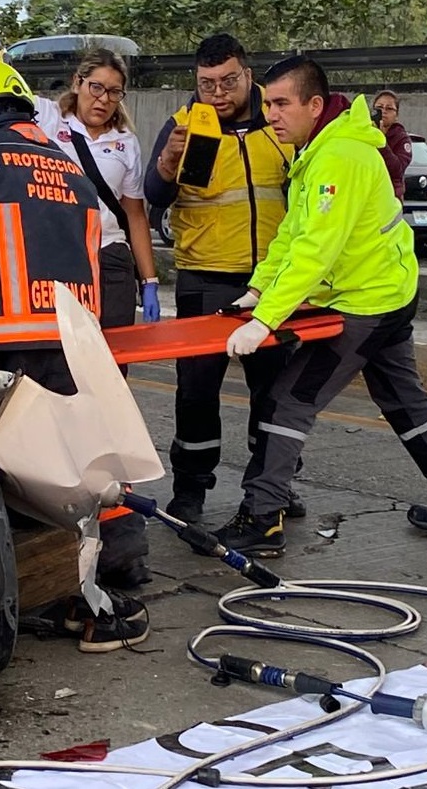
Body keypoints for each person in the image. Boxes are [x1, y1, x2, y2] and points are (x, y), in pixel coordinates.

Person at [217, 56, 427, 556]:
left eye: (281, 104)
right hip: (385, 292)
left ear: (315, 104)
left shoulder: (338, 158)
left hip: (365, 304)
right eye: (267, 104)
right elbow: (291, 236)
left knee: (287, 400)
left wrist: (264, 321)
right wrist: (258, 292)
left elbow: (316, 250)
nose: (271, 115)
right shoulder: (318, 150)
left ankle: (262, 519)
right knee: (406, 403)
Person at [0, 60, 148, 651]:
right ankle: (98, 584)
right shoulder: (69, 165)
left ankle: (28, 593)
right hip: (70, 338)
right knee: (76, 462)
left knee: (4, 466)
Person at [143, 33, 297, 525]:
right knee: (196, 393)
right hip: (205, 279)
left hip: (274, 284)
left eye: (228, 80)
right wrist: (168, 162)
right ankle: (190, 491)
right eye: (206, 83)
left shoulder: (278, 123)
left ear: (248, 75)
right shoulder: (185, 126)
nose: (218, 92)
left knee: (274, 394)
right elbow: (154, 194)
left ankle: (273, 486)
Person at [32, 49, 162, 337]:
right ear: (77, 82)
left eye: (114, 92)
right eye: (96, 87)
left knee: (114, 357)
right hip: (59, 257)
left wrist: (150, 281)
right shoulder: (48, 118)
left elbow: (135, 215)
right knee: (63, 355)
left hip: (110, 259)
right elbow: (2, 91)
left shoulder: (126, 143)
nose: (103, 99)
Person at [372, 90, 412, 201]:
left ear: (396, 115)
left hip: (391, 198)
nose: (383, 111)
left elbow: (397, 169)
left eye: (389, 108)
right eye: (379, 107)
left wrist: (380, 142)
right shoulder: (365, 134)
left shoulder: (402, 139)